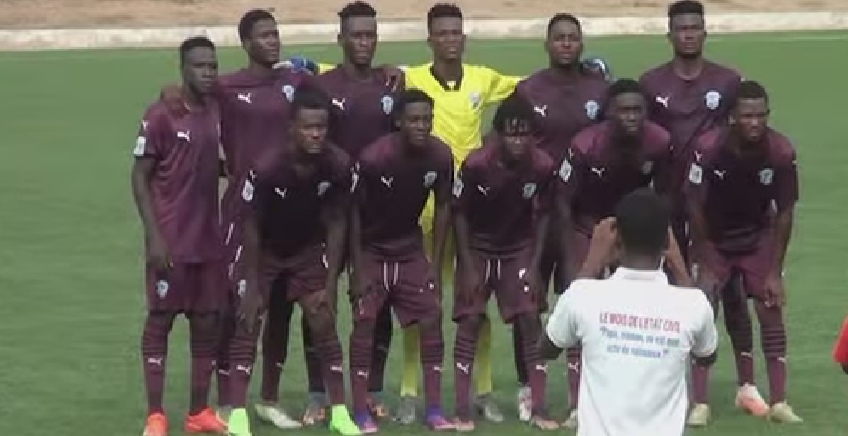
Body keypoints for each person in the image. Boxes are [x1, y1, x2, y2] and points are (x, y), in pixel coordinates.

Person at [398, 3, 521, 423]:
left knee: (475, 304)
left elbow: (530, 88)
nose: (450, 39)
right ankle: (409, 392)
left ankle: (483, 391)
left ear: (464, 38)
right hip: (423, 213)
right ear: (429, 39)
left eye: (456, 33)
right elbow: (362, 79)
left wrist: (590, 71)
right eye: (442, 33)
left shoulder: (483, 79)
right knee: (419, 304)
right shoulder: (411, 78)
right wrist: (307, 65)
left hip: (472, 213)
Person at [225, 87, 361, 436]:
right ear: (291, 128)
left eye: (321, 127)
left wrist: (330, 283)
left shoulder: (338, 164)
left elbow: (337, 221)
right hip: (263, 248)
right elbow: (251, 224)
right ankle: (238, 414)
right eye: (308, 127)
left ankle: (339, 413)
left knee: (323, 319)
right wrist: (252, 284)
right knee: (250, 319)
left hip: (305, 249)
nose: (316, 134)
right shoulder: (266, 166)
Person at [638, 2, 746, 424]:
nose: (688, 34)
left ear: (704, 32)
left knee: (729, 288)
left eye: (695, 27)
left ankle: (746, 385)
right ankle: (673, 383)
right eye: (681, 28)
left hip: (718, 204)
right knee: (668, 289)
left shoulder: (729, 81)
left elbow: (743, 135)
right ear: (669, 34)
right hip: (668, 201)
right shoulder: (651, 84)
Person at [211, 9, 318, 428]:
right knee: (239, 305)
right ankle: (226, 401)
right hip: (243, 209)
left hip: (289, 212)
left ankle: (269, 398)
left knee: (281, 307)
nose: (273, 41)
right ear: (246, 43)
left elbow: (333, 84)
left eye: (276, 34)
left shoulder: (295, 81)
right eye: (264, 35)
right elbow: (190, 103)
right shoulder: (226, 87)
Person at [541, 189, 718, 436]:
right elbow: (707, 355)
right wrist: (679, 267)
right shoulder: (692, 304)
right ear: (666, 242)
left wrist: (592, 263)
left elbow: (546, 348)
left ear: (617, 241)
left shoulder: (584, 296)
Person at [685, 80, 803, 424]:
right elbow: (693, 205)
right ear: (732, 117)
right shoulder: (707, 149)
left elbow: (785, 211)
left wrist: (774, 271)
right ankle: (700, 403)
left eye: (761, 115)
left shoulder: (781, 151)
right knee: (704, 309)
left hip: (756, 237)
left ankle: (779, 401)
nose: (755, 122)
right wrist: (704, 258)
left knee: (770, 307)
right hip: (715, 238)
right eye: (747, 116)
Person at [513, 13, 609, 424]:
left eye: (573, 38)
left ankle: (582, 393)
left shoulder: (599, 90)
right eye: (559, 38)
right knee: (529, 303)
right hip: (535, 212)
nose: (566, 44)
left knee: (580, 298)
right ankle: (527, 387)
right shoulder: (528, 90)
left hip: (581, 214)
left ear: (581, 44)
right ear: (547, 45)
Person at [132, 36, 228, 436]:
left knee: (207, 323)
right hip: (171, 239)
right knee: (161, 320)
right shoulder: (160, 115)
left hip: (208, 239)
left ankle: (198, 412)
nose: (207, 73)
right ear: (183, 68)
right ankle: (155, 415)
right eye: (199, 66)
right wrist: (154, 237)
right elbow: (139, 176)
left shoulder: (217, 108)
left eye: (212, 66)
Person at [313, 0, 401, 420]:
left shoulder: (391, 85)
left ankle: (373, 389)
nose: (364, 42)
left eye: (370, 35)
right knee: (320, 300)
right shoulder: (322, 87)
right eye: (357, 35)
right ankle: (319, 394)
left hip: (376, 215)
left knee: (376, 305)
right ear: (341, 39)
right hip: (327, 213)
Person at [451, 93, 559, 431]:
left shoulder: (543, 166)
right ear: (497, 134)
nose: (518, 141)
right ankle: (462, 410)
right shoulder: (476, 164)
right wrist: (467, 265)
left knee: (530, 319)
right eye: (511, 134)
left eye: (524, 134)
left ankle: (539, 407)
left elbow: (544, 215)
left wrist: (536, 265)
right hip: (479, 249)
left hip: (518, 249)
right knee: (470, 320)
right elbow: (459, 214)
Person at [348, 89, 454, 433]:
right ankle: (360, 410)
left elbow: (444, 206)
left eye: (427, 119)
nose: (421, 126)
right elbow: (352, 212)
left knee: (432, 316)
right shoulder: (373, 158)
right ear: (398, 122)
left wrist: (434, 264)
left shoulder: (440, 156)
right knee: (365, 322)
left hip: (409, 250)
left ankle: (434, 409)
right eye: (414, 120)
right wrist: (357, 267)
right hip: (372, 250)